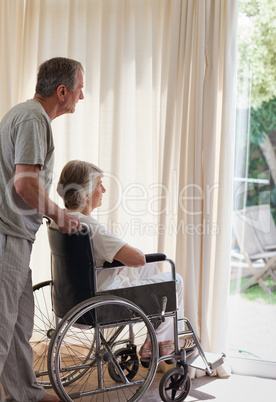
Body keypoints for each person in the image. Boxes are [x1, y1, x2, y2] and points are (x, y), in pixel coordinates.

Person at [0, 58, 84, 402]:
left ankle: (26, 393)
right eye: (80, 88)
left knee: (19, 323)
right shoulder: (34, 118)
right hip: (7, 235)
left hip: (15, 233)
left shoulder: (24, 114)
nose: (82, 96)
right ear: (62, 91)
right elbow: (25, 184)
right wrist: (60, 215)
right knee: (3, 326)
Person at [57, 160, 195, 360]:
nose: (103, 189)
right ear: (85, 194)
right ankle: (165, 343)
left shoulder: (60, 219)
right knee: (175, 280)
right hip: (102, 301)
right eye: (99, 184)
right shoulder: (90, 227)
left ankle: (154, 341)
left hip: (72, 297)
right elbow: (137, 258)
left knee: (150, 269)